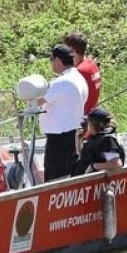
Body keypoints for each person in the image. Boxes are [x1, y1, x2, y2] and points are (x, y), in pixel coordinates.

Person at [37, 44, 87, 182]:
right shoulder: (79, 78)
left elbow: (36, 102)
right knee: (70, 175)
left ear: (58, 61)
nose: (51, 63)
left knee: (55, 179)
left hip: (58, 141)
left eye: (51, 60)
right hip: (73, 135)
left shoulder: (60, 82)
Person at [74, 107, 125, 174]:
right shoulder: (95, 137)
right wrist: (78, 140)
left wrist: (94, 166)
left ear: (94, 124)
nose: (86, 124)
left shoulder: (107, 140)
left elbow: (116, 164)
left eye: (88, 121)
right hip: (80, 179)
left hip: (90, 181)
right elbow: (84, 159)